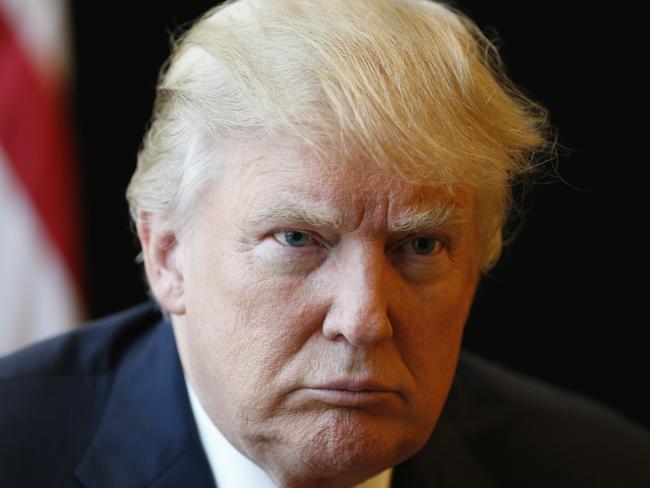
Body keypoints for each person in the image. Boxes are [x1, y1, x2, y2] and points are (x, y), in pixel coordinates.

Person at [1, 0, 649, 486]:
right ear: (168, 254)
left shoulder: (603, 469)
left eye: (420, 245)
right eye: (297, 238)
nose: (363, 319)